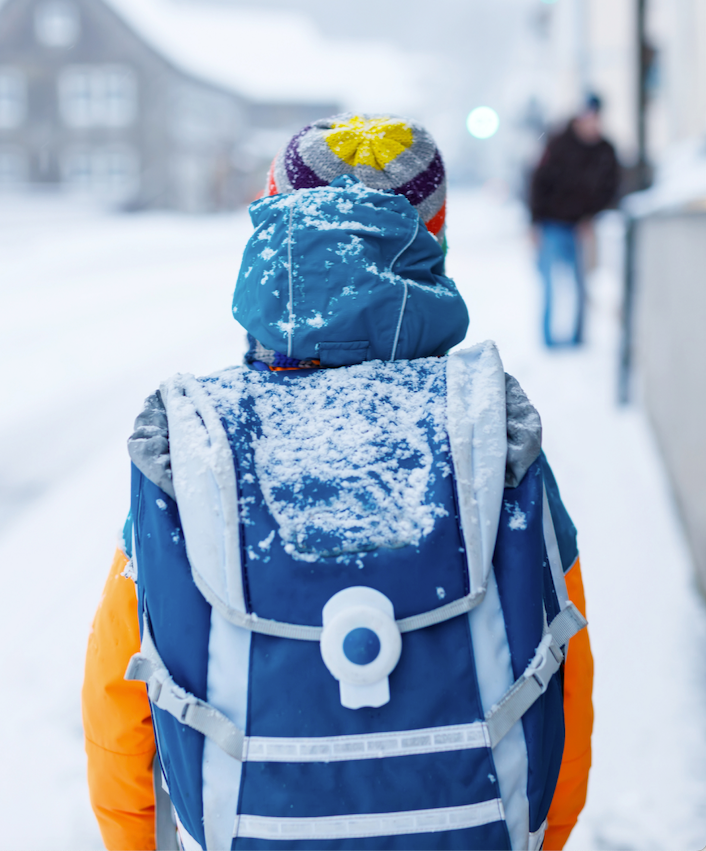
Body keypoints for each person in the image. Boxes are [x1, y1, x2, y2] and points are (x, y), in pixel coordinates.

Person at [83, 114, 594, 851]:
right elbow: (562, 669)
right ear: (430, 244)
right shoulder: (487, 425)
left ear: (274, 231)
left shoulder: (200, 444)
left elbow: (118, 698)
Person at [529, 94, 619, 346]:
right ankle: (548, 341)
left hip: (582, 227)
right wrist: (534, 222)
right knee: (549, 286)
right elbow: (537, 182)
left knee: (581, 286)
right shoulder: (557, 143)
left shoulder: (605, 150)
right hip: (550, 225)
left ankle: (578, 339)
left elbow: (611, 189)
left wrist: (591, 217)